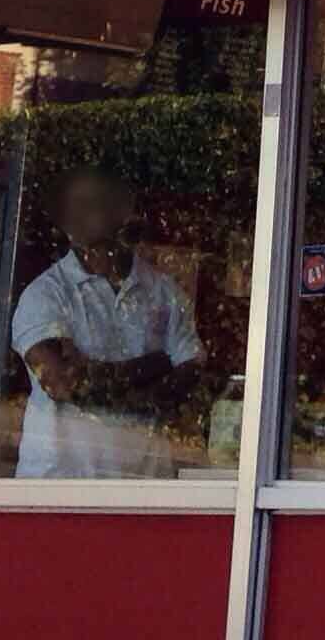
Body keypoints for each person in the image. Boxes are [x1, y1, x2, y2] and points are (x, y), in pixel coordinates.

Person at [12, 170, 205, 478]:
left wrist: (99, 374)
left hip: (144, 484)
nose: (86, 213)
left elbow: (190, 378)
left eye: (97, 202)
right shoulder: (45, 294)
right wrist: (155, 365)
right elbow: (64, 382)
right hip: (59, 486)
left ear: (123, 210)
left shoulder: (164, 292)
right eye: (77, 205)